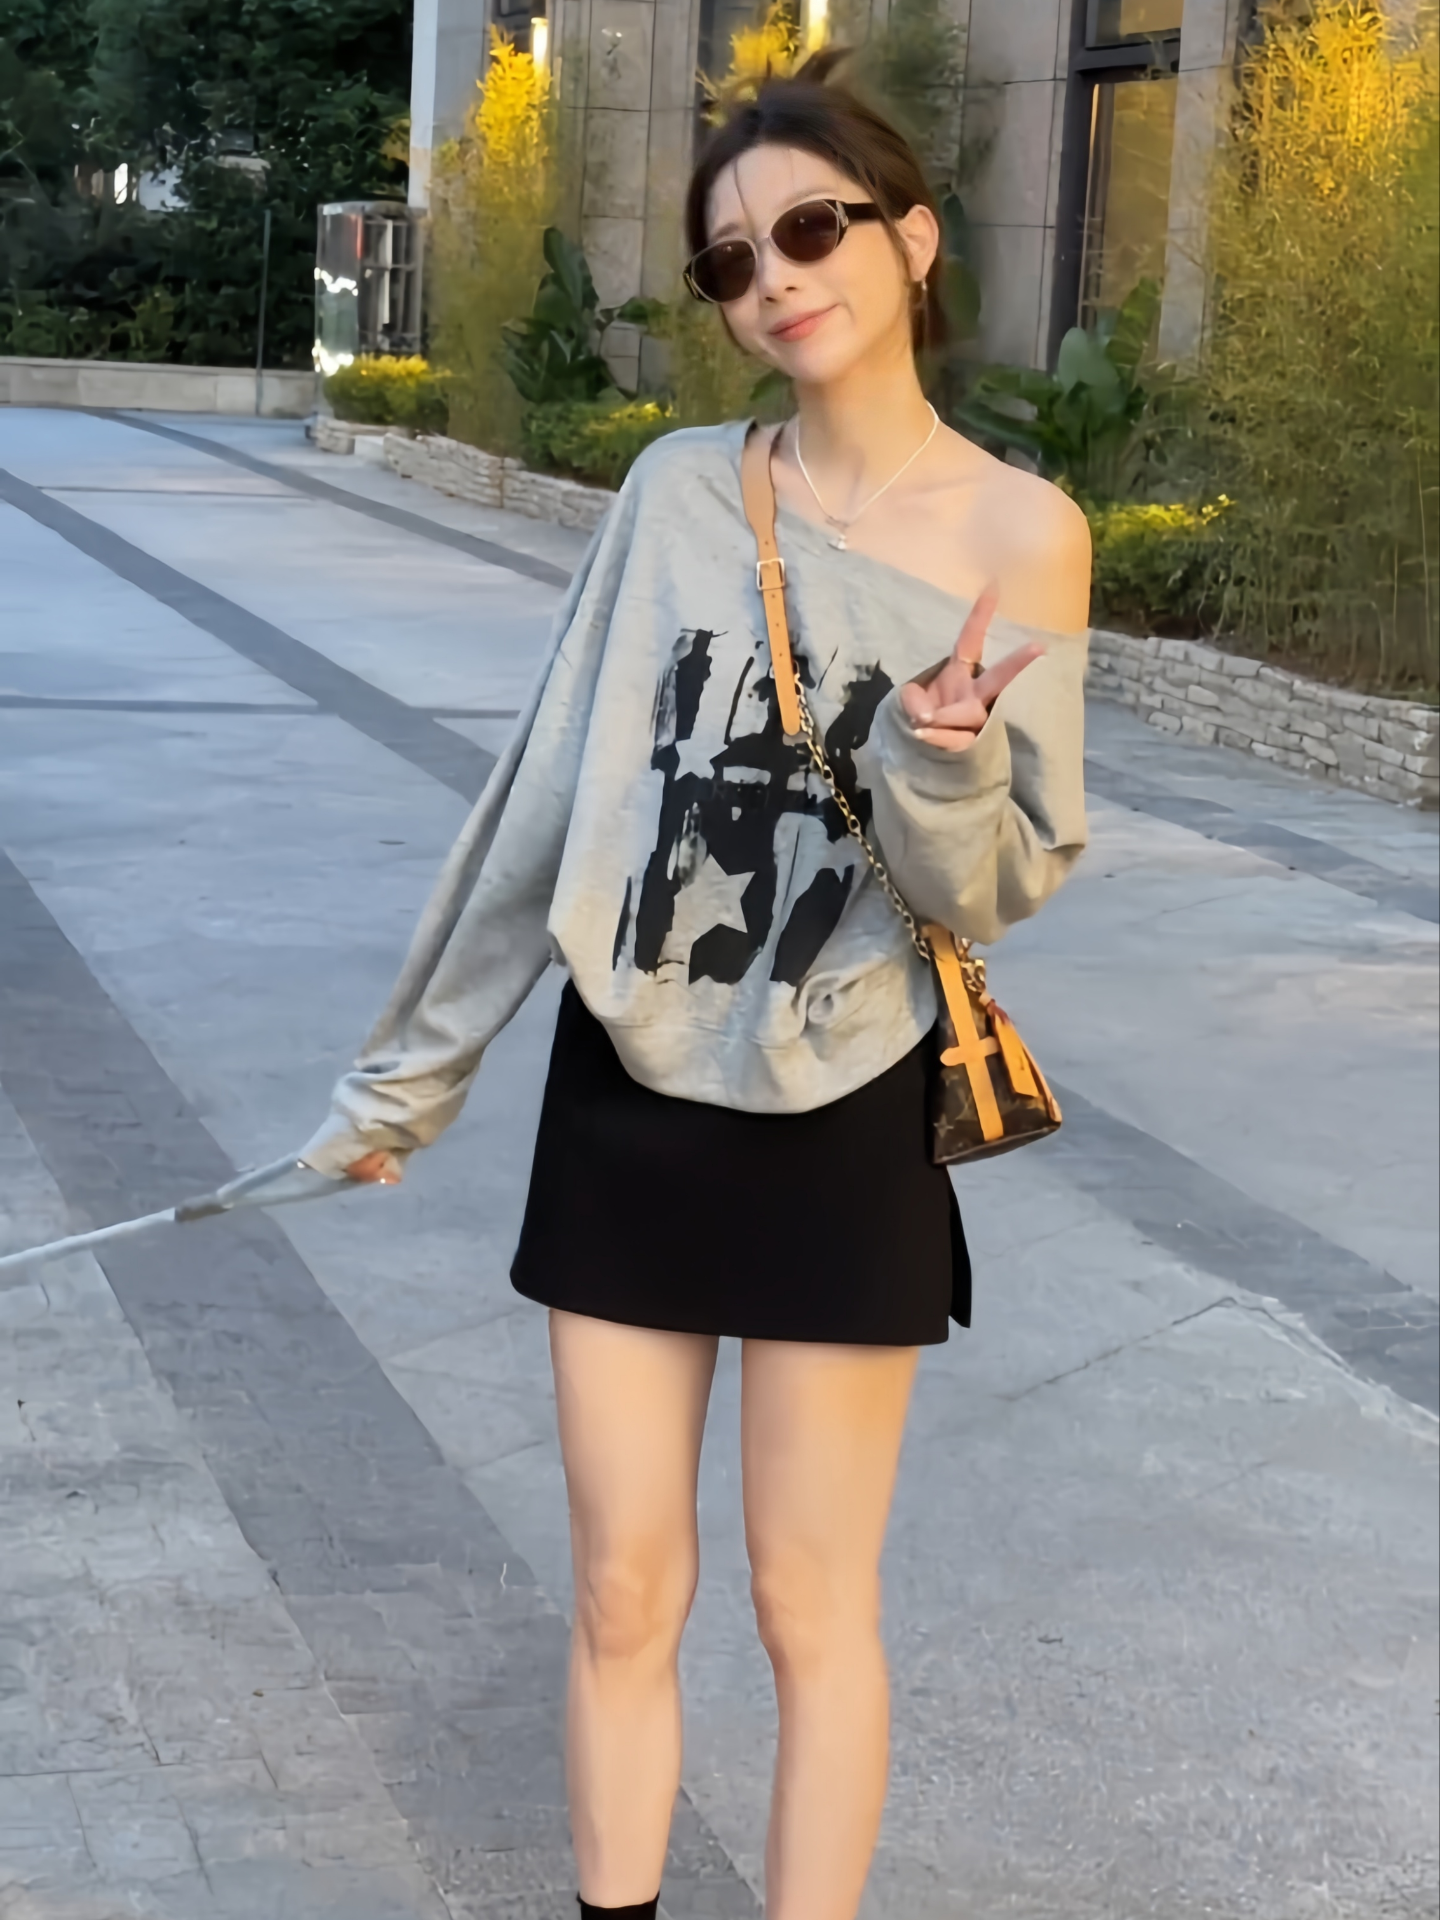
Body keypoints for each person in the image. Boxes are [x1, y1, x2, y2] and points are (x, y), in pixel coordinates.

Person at [301, 54, 1091, 1920]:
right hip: (634, 1091)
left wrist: (946, 758)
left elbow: (994, 885)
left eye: (812, 230)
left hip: (851, 1105)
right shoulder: (675, 494)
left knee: (811, 1605)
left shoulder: (1020, 534)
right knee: (621, 1588)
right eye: (733, 260)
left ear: (912, 240)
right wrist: (410, 1078)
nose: (776, 280)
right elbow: (549, 803)